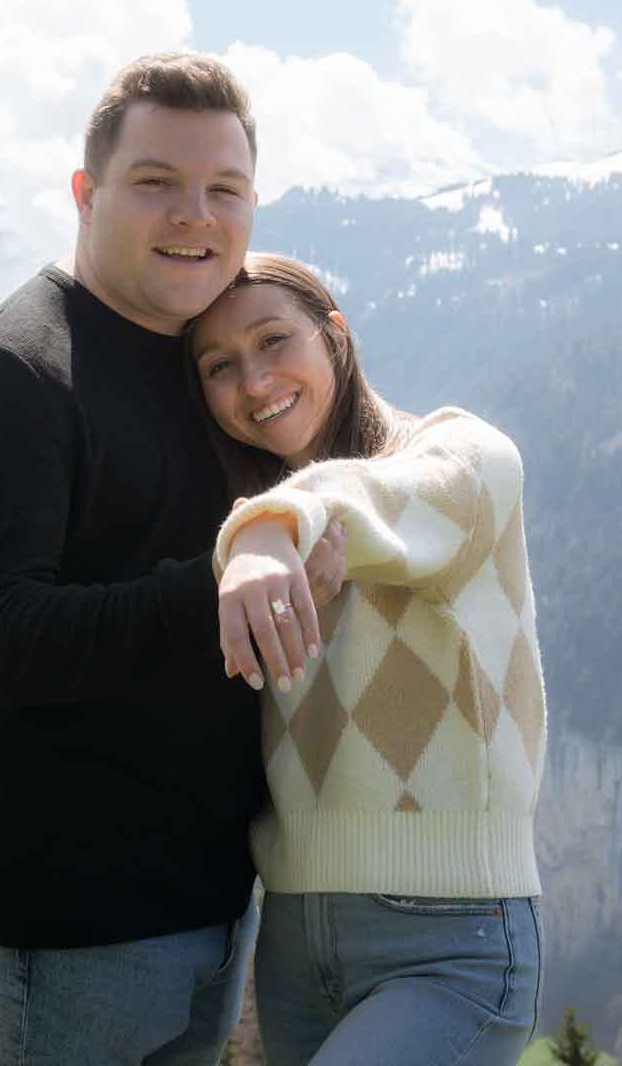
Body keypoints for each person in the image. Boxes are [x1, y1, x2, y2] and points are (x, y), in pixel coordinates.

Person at [0, 54, 338, 1064]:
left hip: (210, 911)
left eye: (223, 189)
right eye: (157, 183)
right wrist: (219, 584)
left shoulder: (206, 361)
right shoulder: (9, 373)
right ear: (85, 193)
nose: (196, 213)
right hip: (60, 931)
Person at [186, 253, 546, 1066]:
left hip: (453, 944)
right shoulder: (250, 524)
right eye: (220, 365)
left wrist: (275, 525)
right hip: (292, 946)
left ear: (336, 338)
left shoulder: (464, 457)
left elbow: (385, 497)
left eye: (275, 341)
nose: (253, 381)